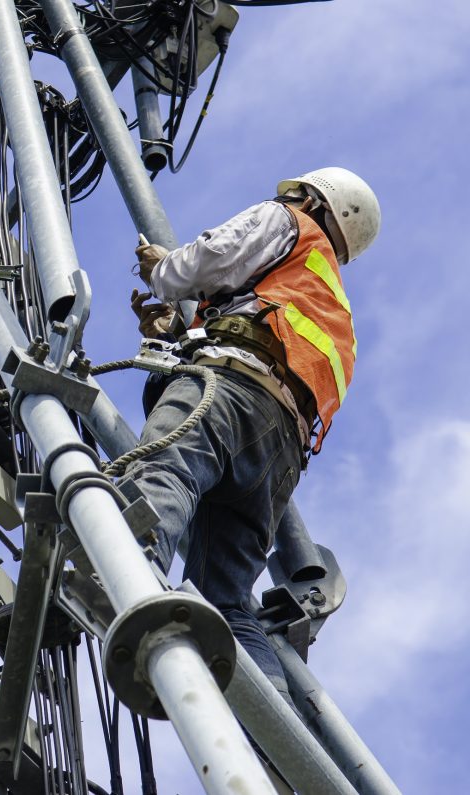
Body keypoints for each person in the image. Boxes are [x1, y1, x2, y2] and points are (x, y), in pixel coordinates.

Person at [124, 167, 381, 694]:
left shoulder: (289, 223)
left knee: (162, 471)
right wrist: (177, 330)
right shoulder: (332, 305)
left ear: (312, 198)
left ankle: (125, 574)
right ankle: (279, 737)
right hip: (279, 452)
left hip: (230, 394)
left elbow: (213, 258)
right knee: (226, 603)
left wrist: (163, 270)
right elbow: (267, 326)